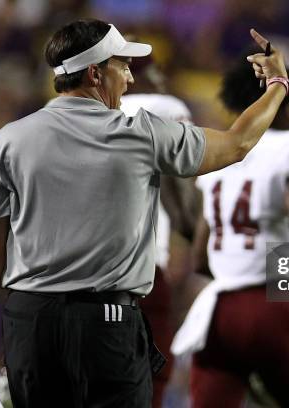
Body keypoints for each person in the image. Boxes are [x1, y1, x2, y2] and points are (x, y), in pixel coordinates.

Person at [0, 18, 289, 408]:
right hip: (106, 324)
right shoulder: (141, 132)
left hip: (29, 324)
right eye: (123, 66)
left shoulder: (7, 140)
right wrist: (277, 85)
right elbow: (237, 143)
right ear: (96, 73)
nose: (131, 78)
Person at [171, 58, 289, 408]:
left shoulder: (226, 152)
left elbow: (200, 257)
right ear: (287, 111)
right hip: (274, 304)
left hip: (219, 310)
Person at [120, 55, 198, 408]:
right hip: (141, 270)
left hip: (70, 276)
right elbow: (182, 194)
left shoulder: (61, 111)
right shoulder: (162, 107)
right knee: (151, 382)